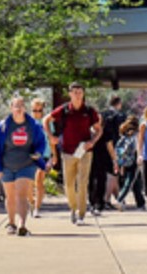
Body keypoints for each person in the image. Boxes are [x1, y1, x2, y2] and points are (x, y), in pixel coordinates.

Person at [0, 95, 52, 236]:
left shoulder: (33, 126)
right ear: (11, 108)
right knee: (10, 196)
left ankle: (22, 224)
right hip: (7, 165)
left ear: (25, 108)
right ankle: (11, 223)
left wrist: (38, 153)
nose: (18, 109)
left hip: (26, 164)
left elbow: (41, 142)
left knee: (22, 194)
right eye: (15, 106)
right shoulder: (3, 126)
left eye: (21, 106)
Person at [45, 82, 102, 225]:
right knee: (69, 185)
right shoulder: (64, 110)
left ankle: (81, 214)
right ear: (69, 94)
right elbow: (46, 120)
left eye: (80, 92)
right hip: (68, 152)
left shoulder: (89, 111)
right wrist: (50, 136)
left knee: (82, 183)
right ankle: (73, 208)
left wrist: (93, 141)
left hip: (85, 151)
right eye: (74, 92)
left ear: (83, 94)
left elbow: (99, 129)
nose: (77, 95)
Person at [92, 94, 127, 212]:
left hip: (96, 151)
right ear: (119, 103)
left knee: (104, 176)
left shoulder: (103, 114)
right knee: (112, 175)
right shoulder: (120, 116)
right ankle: (107, 199)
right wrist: (115, 157)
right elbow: (112, 140)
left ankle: (111, 199)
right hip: (113, 148)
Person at [30, 97, 54, 217]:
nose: (37, 113)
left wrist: (52, 157)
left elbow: (51, 140)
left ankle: (37, 208)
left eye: (39, 110)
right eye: (35, 110)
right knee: (29, 182)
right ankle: (32, 201)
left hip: (43, 155)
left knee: (39, 180)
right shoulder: (27, 122)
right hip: (29, 155)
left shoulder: (47, 123)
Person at [114, 118, 146, 209]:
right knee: (130, 180)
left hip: (126, 160)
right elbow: (137, 147)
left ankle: (141, 202)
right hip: (134, 159)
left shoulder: (124, 134)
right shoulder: (136, 134)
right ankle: (119, 199)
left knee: (136, 181)